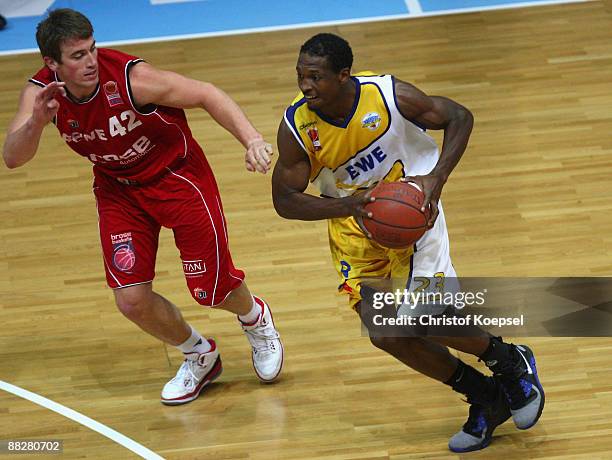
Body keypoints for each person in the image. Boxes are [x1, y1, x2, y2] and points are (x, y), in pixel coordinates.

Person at [272, 33, 544, 452]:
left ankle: (508, 360)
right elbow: (284, 200)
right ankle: (484, 395)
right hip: (355, 228)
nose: (305, 86)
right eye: (300, 75)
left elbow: (460, 116)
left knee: (423, 314)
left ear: (343, 76)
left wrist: (435, 179)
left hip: (414, 216)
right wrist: (349, 207)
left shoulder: (389, 96)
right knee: (386, 334)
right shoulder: (297, 127)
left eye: (315, 77)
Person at [3, 8, 283, 406]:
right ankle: (199, 354)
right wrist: (34, 123)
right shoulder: (41, 95)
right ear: (51, 63)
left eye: (92, 49)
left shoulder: (132, 79)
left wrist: (252, 139)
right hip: (118, 189)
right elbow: (13, 158)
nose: (90, 62)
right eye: (77, 56)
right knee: (131, 300)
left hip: (177, 178)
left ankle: (255, 318)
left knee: (212, 290)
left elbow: (206, 93)